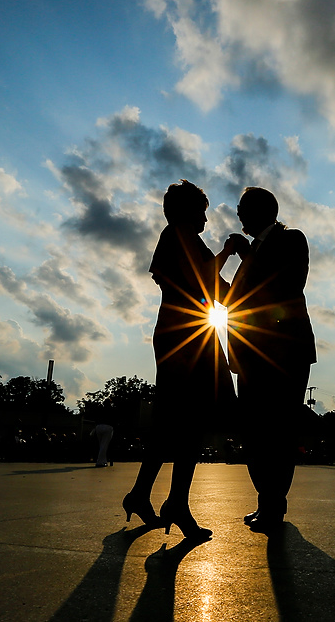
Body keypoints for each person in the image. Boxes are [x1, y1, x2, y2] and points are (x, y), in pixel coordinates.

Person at [122, 180, 237, 541]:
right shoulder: (178, 234)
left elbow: (222, 293)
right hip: (184, 336)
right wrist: (230, 250)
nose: (206, 216)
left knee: (174, 422)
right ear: (190, 211)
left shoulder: (187, 240)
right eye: (202, 209)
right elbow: (203, 279)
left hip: (188, 333)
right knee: (187, 423)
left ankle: (143, 494)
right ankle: (176, 503)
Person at [224, 187, 316, 532]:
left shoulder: (290, 239)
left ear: (258, 211)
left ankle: (274, 505)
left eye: (241, 209)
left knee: (278, 430)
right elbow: (233, 302)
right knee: (254, 431)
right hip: (250, 354)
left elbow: (286, 286)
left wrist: (248, 255)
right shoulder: (251, 255)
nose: (238, 216)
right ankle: (266, 500)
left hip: (283, 351)